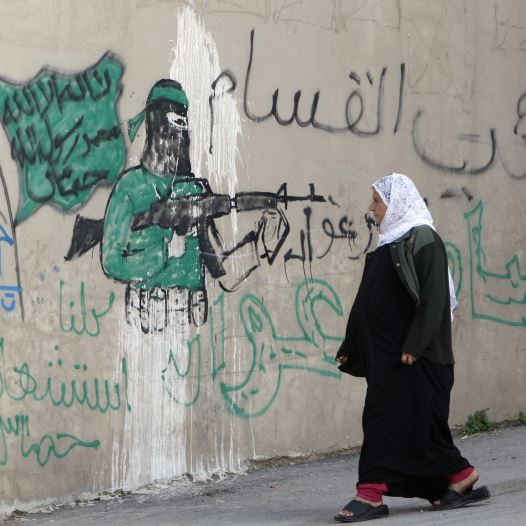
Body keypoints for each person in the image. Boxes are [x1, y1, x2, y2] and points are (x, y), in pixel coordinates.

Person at [334, 173, 490, 522]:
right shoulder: (391, 242)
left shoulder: (424, 239)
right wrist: (353, 345)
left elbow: (434, 299)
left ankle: (370, 493)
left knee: (383, 422)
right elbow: (368, 303)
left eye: (377, 200)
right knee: (415, 429)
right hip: (389, 357)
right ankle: (456, 477)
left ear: (397, 202)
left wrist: (415, 346)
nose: (371, 207)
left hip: (413, 358)